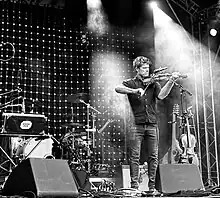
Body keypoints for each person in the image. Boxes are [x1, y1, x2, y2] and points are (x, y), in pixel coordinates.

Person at [115, 56, 179, 193]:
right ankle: (134, 187)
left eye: (148, 68)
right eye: (143, 68)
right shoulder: (131, 82)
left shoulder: (154, 83)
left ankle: (151, 187)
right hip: (135, 124)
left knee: (153, 156)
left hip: (151, 124)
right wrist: (134, 91)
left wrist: (171, 81)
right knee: (134, 156)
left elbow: (162, 96)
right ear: (137, 69)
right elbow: (117, 88)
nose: (147, 70)